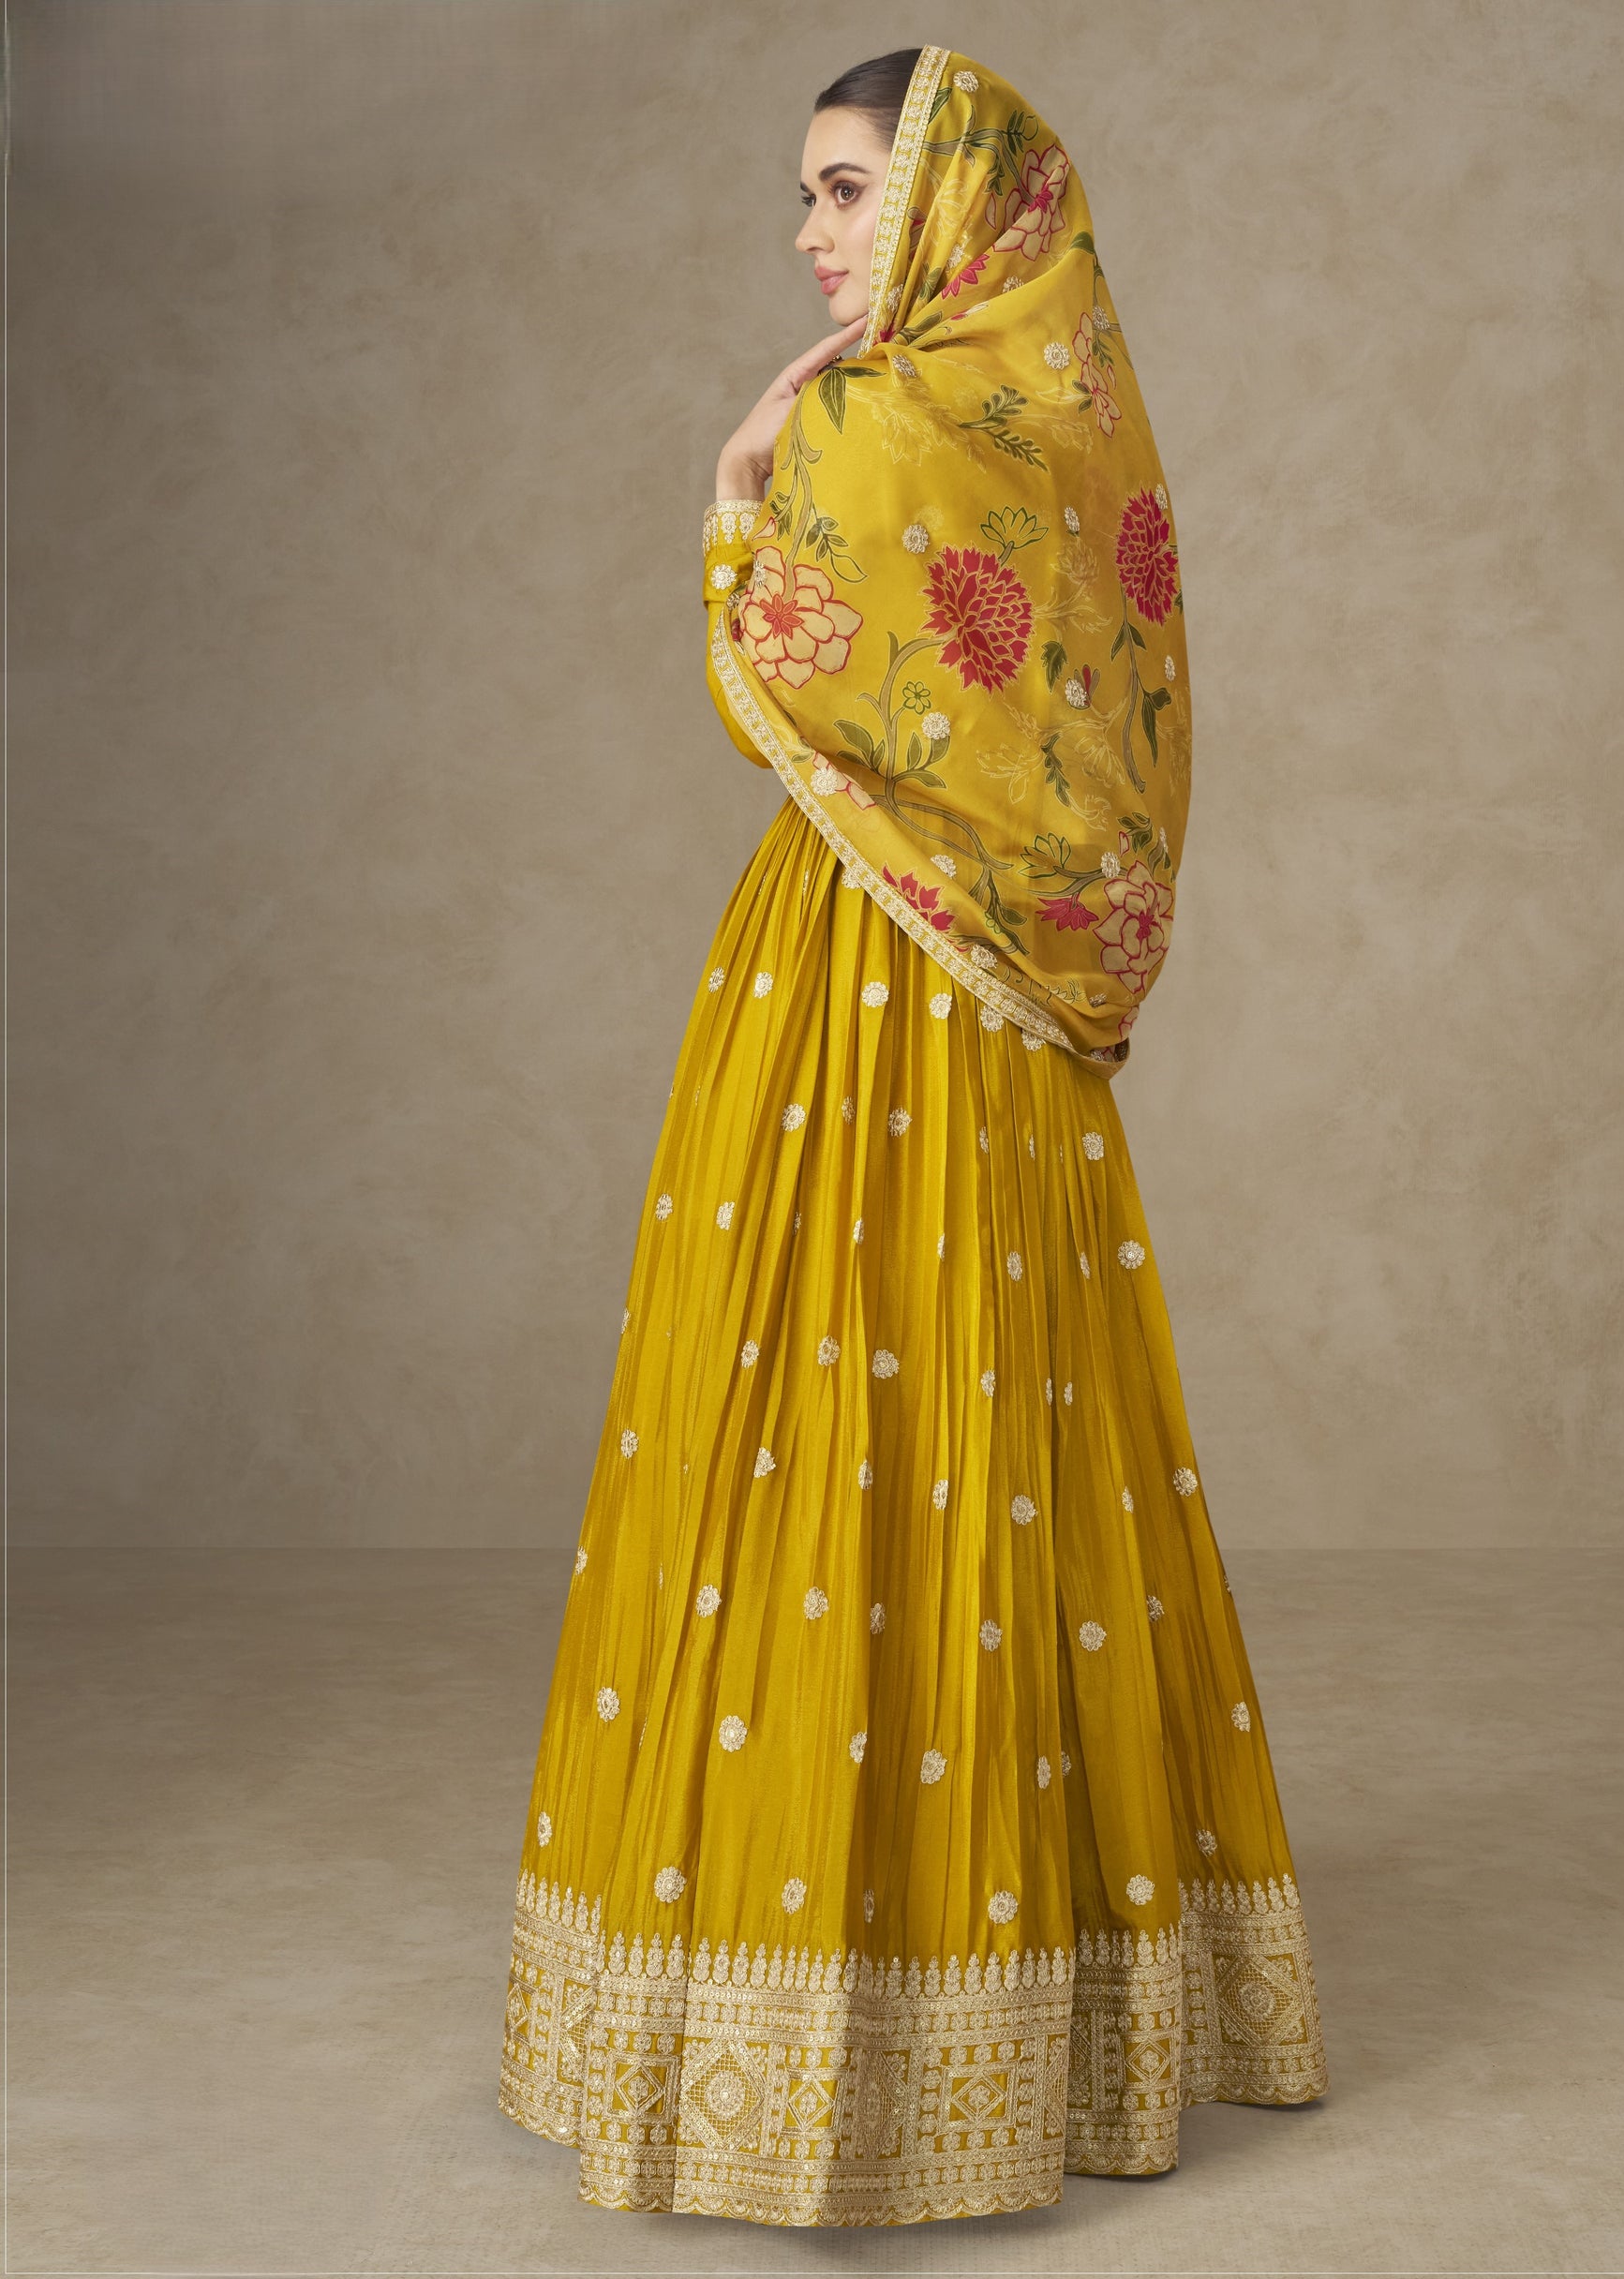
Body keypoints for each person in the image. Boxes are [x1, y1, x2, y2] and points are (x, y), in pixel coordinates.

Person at [497, 43, 1328, 2227]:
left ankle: (815, 1995)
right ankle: (1043, 1990)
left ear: (951, 200)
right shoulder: (1057, 414)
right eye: (806, 197)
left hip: (858, 982)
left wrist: (733, 472)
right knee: (994, 1424)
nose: (809, 235)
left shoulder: (868, 422)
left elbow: (771, 663)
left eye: (847, 190)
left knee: (809, 1419)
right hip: (1013, 1018)